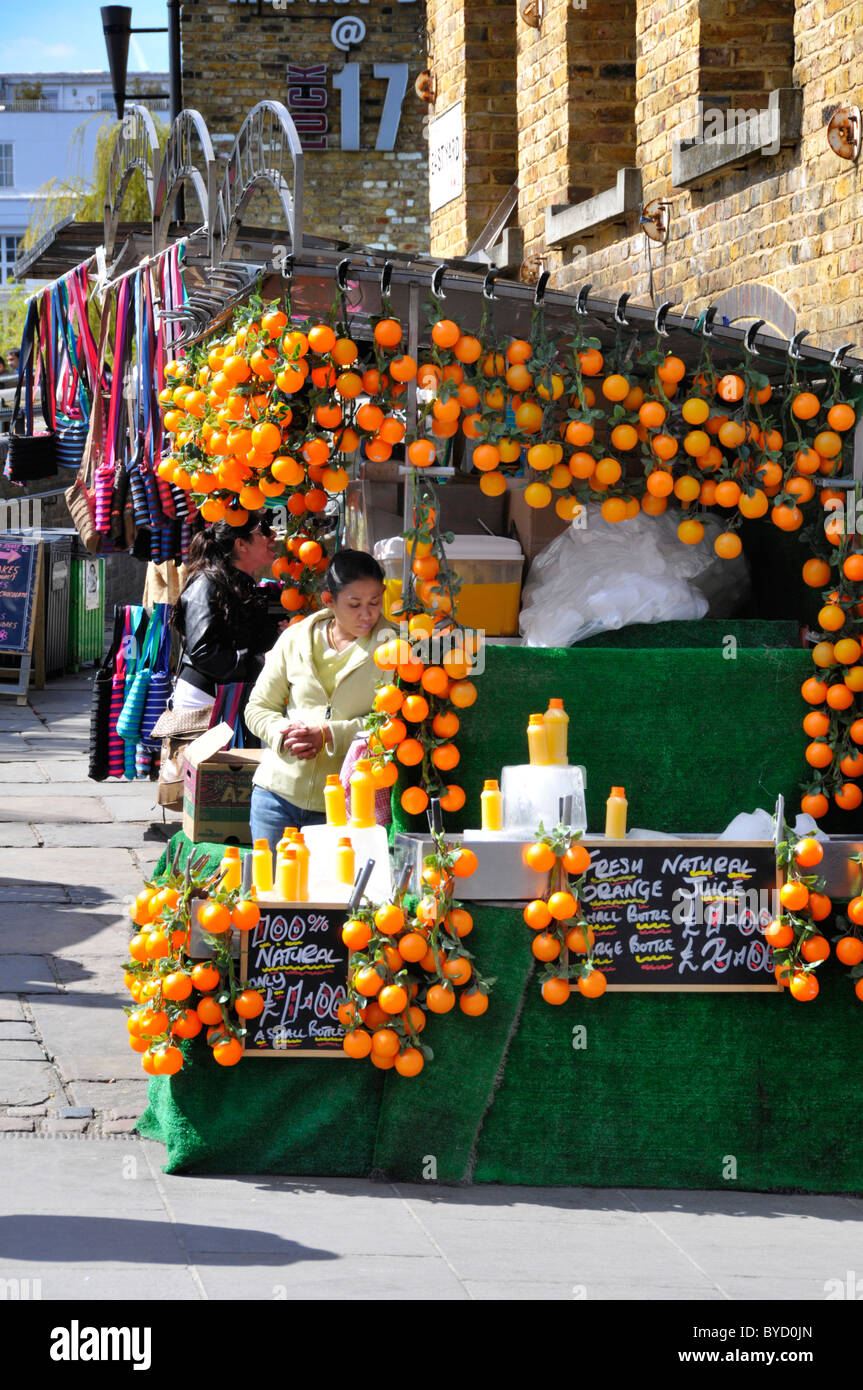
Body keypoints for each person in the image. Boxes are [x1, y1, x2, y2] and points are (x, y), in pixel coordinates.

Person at [245, 548, 389, 851]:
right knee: (269, 892)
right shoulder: (296, 639)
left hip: (344, 807)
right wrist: (285, 734)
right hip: (276, 796)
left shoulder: (393, 648)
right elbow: (259, 707)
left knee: (327, 897)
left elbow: (392, 724)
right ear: (329, 601)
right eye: (354, 604)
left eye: (375, 602)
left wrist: (327, 734)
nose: (367, 614)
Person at [171, 514, 281, 718]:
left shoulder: (239, 583)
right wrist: (260, 661)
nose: (273, 535)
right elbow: (205, 652)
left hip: (228, 695)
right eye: (264, 530)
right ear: (241, 544)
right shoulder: (206, 584)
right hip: (204, 701)